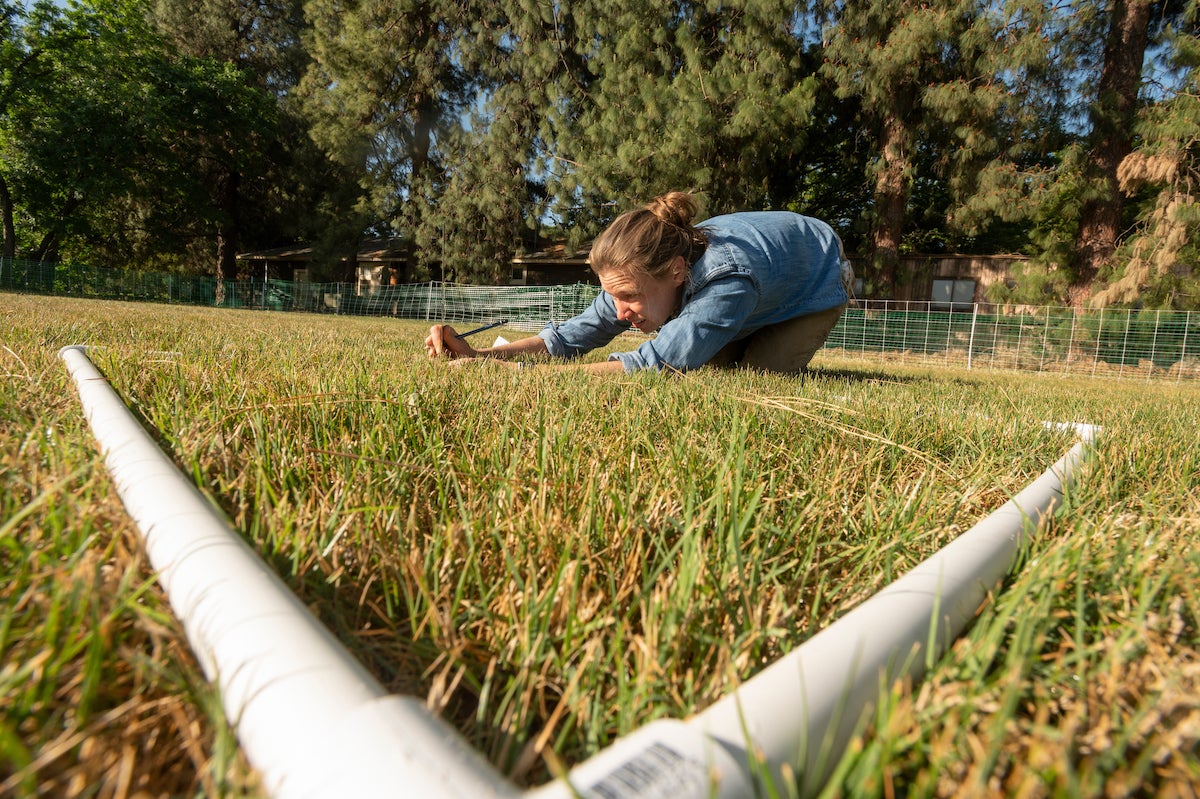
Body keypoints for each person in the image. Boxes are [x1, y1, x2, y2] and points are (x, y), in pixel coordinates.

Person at [425, 191, 853, 375]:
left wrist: (521, 377)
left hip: (817, 278)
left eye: (628, 296)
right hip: (765, 275)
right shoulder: (643, 267)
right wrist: (482, 355)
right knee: (710, 364)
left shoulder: (726, 282)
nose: (618, 311)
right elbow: (578, 333)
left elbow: (655, 364)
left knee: (758, 372)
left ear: (676, 272)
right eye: (613, 295)